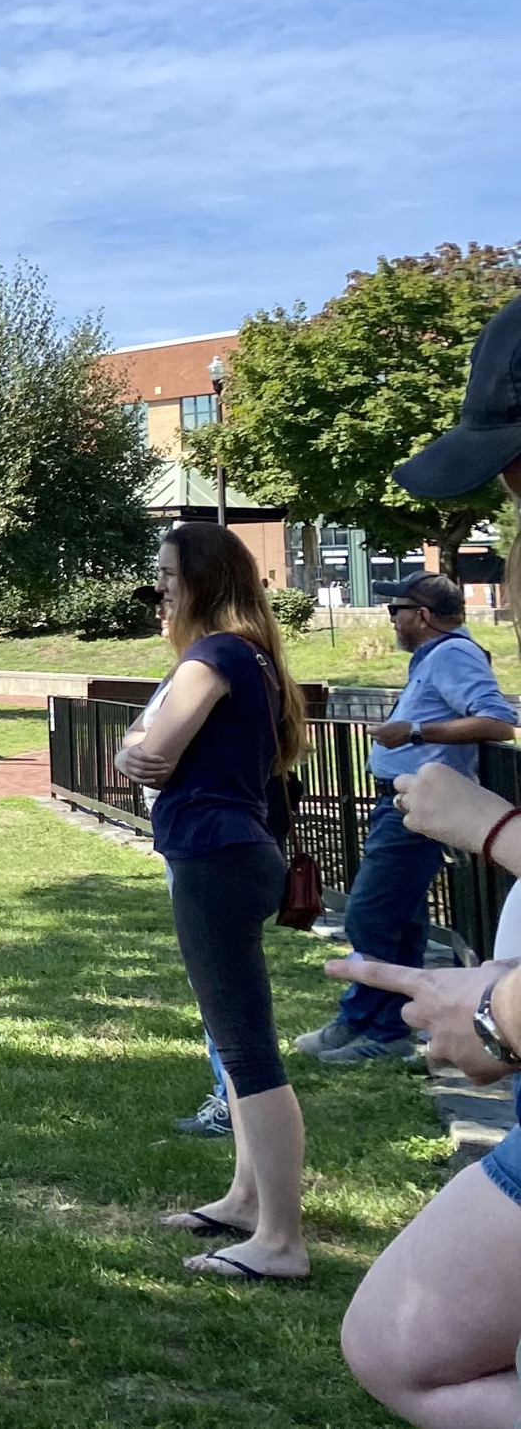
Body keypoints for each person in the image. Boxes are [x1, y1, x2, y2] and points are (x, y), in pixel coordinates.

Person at [315, 294, 521, 1427]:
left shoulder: (460, 653)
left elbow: (491, 724)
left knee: (406, 1351)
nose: (507, 499)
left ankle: (358, 1031)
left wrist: (493, 1015)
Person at [114, 520, 311, 1284]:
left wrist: (135, 749)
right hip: (235, 856)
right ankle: (243, 1198)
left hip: (215, 860)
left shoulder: (215, 654)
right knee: (236, 1042)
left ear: (204, 580)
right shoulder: (250, 658)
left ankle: (281, 1240)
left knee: (248, 1049)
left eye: (168, 577)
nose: (159, 591)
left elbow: (152, 753)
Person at [294, 570, 516, 1064]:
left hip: (418, 806)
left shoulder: (453, 653)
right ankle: (390, 1027)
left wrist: (413, 731)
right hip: (406, 802)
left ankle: (367, 1024)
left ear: (421, 615)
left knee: (370, 913)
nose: (390, 618)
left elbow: (499, 721)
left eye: (396, 610)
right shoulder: (437, 656)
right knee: (404, 922)